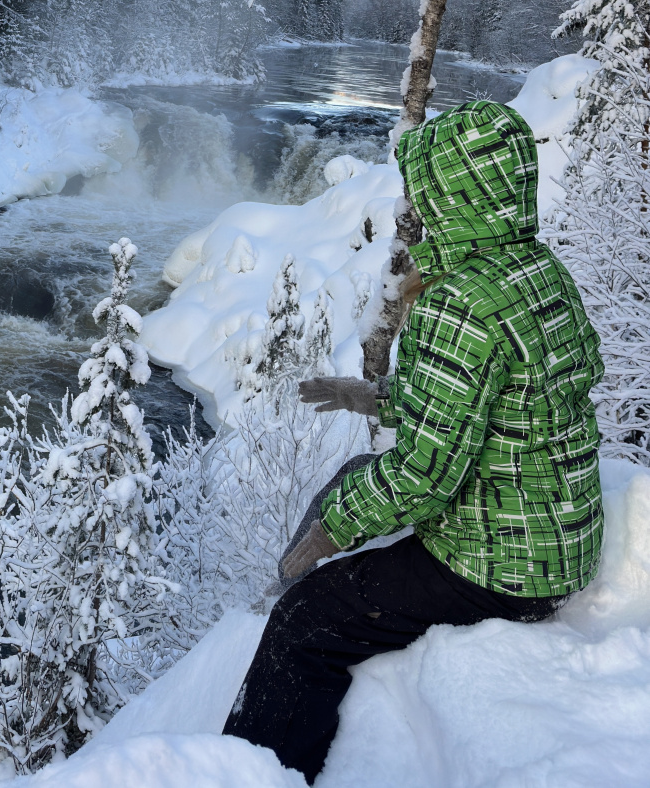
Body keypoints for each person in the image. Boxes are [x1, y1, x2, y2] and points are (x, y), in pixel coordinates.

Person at [223, 98, 605, 783]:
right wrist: (371, 396)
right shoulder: (534, 272)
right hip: (556, 533)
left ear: (455, 193)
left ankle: (250, 772)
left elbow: (427, 474)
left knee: (305, 623)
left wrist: (332, 532)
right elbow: (497, 402)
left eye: (423, 192)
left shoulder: (459, 301)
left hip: (504, 567)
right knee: (355, 480)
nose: (413, 208)